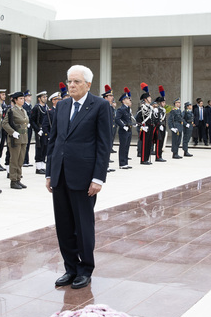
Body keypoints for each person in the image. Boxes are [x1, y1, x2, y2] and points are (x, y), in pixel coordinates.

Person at [45, 65, 111, 290]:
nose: (70, 86)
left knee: (83, 225)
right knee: (63, 225)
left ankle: (85, 269)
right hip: (60, 176)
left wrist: (98, 178)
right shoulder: (62, 106)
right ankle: (70, 268)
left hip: (84, 179)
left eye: (76, 82)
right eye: (69, 81)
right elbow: (54, 141)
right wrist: (49, 172)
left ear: (88, 85)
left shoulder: (100, 106)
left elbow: (104, 145)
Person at [2, 91, 29, 189]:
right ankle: (13, 181)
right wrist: (12, 132)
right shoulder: (11, 110)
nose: (23, 100)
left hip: (23, 138)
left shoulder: (23, 110)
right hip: (15, 138)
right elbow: (4, 124)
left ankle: (18, 179)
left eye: (23, 98)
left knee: (21, 160)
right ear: (15, 100)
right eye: (20, 99)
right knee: (14, 160)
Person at [115, 89, 134, 169]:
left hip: (129, 129)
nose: (128, 99)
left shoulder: (128, 109)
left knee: (127, 146)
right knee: (123, 146)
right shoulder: (121, 109)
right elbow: (117, 119)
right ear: (123, 101)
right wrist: (123, 126)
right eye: (127, 99)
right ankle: (122, 163)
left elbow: (128, 119)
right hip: (123, 130)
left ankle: (125, 162)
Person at [31, 91, 48, 175]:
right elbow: (32, 121)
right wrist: (38, 130)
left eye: (46, 96)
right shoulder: (36, 108)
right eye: (43, 97)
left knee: (45, 148)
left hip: (45, 131)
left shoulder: (47, 107)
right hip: (39, 131)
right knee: (39, 148)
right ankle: (38, 167)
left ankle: (42, 166)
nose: (45, 98)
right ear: (39, 98)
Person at [136, 90, 154, 165]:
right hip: (145, 127)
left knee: (149, 144)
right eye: (149, 97)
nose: (150, 99)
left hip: (150, 128)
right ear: (145, 99)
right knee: (144, 144)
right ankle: (143, 159)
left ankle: (146, 158)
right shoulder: (142, 108)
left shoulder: (150, 108)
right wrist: (142, 126)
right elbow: (138, 118)